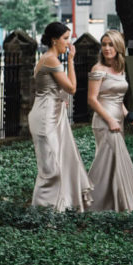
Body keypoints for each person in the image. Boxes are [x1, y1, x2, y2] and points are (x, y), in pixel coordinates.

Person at [29, 21, 93, 211]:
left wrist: (61, 97)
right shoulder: (51, 59)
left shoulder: (49, 59)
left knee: (61, 161)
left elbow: (54, 88)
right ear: (54, 40)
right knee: (51, 167)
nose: (69, 43)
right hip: (45, 118)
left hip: (54, 115)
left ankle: (58, 207)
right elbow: (72, 88)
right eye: (65, 39)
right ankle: (44, 209)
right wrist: (71, 61)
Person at [86, 29, 133, 211]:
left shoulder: (121, 68)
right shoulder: (98, 69)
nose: (107, 48)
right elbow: (92, 99)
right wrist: (110, 120)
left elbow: (118, 99)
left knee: (112, 163)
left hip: (117, 118)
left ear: (118, 47)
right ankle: (89, 202)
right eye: (104, 44)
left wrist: (127, 115)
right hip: (104, 121)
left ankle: (111, 204)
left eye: (110, 44)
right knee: (109, 161)